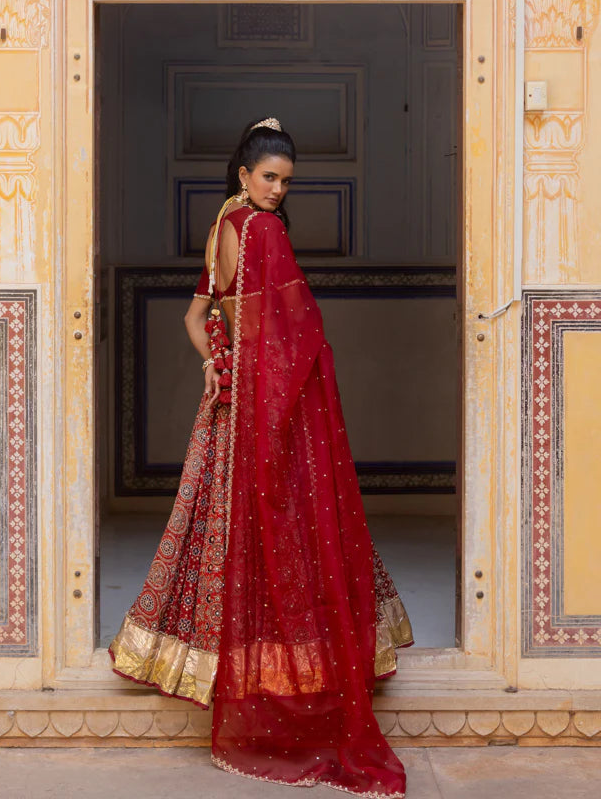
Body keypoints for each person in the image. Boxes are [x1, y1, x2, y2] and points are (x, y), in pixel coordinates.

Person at [109, 117, 413, 796]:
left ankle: (207, 661)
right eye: (269, 177)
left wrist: (217, 365)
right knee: (288, 532)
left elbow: (196, 317)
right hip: (271, 408)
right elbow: (298, 333)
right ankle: (292, 675)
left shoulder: (221, 227)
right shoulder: (263, 231)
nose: (277, 190)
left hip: (230, 410)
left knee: (229, 534)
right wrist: (287, 378)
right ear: (244, 175)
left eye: (285, 182)